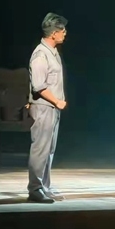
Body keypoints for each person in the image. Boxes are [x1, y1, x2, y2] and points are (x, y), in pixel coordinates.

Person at [27, 13, 68, 203]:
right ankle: (35, 189)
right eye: (62, 30)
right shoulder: (40, 55)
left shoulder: (53, 52)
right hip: (44, 107)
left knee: (49, 149)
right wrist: (57, 101)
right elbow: (38, 85)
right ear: (53, 33)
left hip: (52, 108)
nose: (65, 33)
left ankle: (44, 186)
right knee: (40, 148)